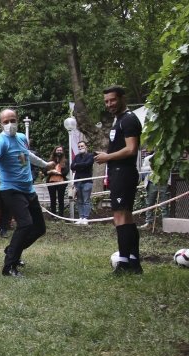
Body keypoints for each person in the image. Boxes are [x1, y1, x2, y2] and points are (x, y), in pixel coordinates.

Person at [0, 109, 54, 277]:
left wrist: (45, 165)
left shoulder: (22, 138)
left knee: (39, 228)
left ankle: (11, 250)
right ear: (1, 124)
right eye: (6, 122)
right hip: (11, 190)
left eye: (12, 120)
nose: (9, 124)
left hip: (28, 189)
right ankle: (9, 267)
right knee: (25, 224)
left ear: (17, 120)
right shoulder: (0, 141)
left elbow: (27, 156)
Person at [95, 85, 143, 275]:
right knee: (127, 217)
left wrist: (107, 157)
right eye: (106, 101)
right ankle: (134, 261)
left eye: (112, 100)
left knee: (120, 216)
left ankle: (123, 263)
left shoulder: (129, 120)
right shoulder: (119, 120)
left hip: (124, 172)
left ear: (122, 98)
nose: (109, 104)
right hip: (117, 173)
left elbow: (131, 149)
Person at [140, 151, 169, 230]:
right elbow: (143, 171)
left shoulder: (166, 158)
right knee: (149, 204)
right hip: (151, 183)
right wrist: (152, 166)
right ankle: (149, 222)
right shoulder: (148, 159)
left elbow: (169, 170)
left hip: (163, 183)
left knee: (164, 204)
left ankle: (166, 224)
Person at [70, 141, 95, 224]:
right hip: (77, 181)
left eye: (82, 146)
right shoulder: (77, 156)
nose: (80, 148)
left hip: (87, 181)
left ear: (86, 146)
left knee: (86, 200)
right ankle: (81, 217)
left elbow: (88, 164)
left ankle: (85, 218)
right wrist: (80, 165)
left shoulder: (90, 156)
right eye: (79, 146)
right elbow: (72, 166)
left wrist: (77, 165)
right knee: (79, 200)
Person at [44, 145, 68, 217]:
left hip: (61, 182)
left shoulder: (65, 161)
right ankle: (53, 215)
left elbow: (65, 172)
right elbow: (45, 171)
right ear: (55, 151)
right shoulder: (50, 161)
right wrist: (51, 172)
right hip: (51, 182)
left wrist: (57, 172)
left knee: (61, 199)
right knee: (52, 199)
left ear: (62, 151)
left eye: (60, 150)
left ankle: (61, 215)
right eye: (58, 150)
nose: (59, 152)